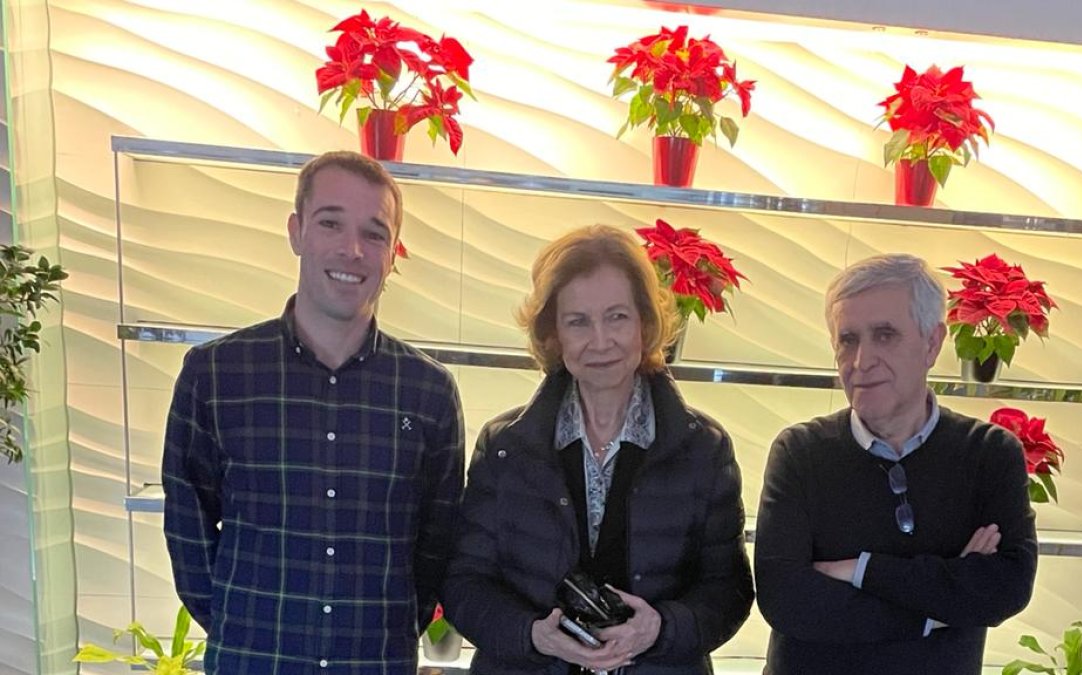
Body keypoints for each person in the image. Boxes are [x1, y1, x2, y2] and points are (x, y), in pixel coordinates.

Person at [162, 151, 465, 674]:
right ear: (297, 232)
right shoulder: (217, 375)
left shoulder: (429, 391)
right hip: (253, 660)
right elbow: (188, 528)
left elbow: (436, 546)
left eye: (374, 234)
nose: (352, 250)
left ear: (393, 253)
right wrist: (240, 622)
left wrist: (390, 628)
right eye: (330, 223)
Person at [443, 224, 753, 674]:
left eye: (617, 317)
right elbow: (464, 584)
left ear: (646, 323)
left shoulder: (703, 448)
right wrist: (533, 635)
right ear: (553, 334)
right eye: (578, 322)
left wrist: (660, 629)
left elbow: (728, 591)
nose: (601, 341)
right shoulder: (505, 446)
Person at [755, 253, 1037, 674]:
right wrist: (937, 608)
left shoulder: (990, 454)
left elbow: (1005, 588)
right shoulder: (800, 453)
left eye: (884, 335)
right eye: (848, 339)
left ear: (932, 343)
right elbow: (788, 600)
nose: (861, 360)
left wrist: (861, 570)